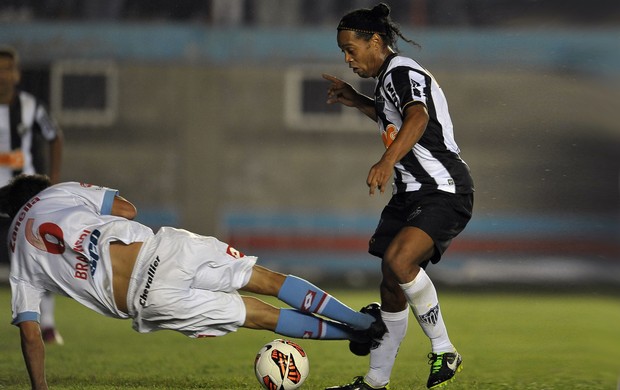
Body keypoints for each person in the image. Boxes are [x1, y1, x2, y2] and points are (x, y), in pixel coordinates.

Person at [1, 174, 386, 390]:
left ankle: (354, 338)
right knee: (265, 279)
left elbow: (31, 334)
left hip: (146, 300)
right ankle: (364, 323)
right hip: (163, 252)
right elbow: (126, 210)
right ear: (38, 190)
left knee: (259, 316)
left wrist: (40, 389)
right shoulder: (57, 192)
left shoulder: (16, 254)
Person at [322, 3, 474, 389]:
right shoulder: (388, 77)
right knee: (391, 283)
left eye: (350, 48)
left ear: (375, 40)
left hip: (442, 188)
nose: (347, 58)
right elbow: (392, 115)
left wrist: (387, 160)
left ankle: (445, 349)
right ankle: (375, 381)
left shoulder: (402, 70)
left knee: (400, 260)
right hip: (410, 194)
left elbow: (418, 117)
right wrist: (356, 99)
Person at [0, 45, 64, 345]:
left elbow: (54, 137)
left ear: (17, 73)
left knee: (42, 255)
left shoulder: (30, 106)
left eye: (8, 69)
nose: (4, 75)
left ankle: (48, 324)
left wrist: (54, 180)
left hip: (26, 197)